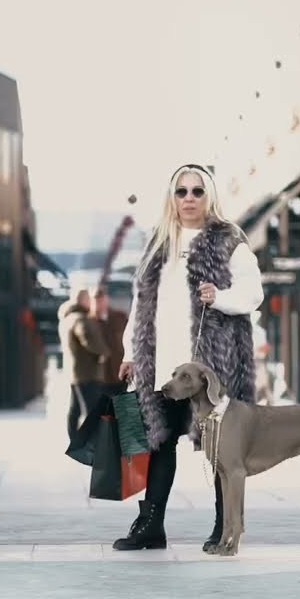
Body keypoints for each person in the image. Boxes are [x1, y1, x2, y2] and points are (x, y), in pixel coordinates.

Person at [114, 163, 263, 552]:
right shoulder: (158, 242)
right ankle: (150, 525)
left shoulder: (229, 240)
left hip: (208, 369)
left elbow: (253, 292)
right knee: (158, 444)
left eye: (197, 191)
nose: (189, 199)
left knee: (219, 448)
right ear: (172, 197)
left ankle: (223, 525)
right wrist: (131, 350)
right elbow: (140, 302)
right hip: (162, 365)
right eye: (182, 192)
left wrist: (221, 297)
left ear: (209, 195)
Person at [58, 286, 110, 444]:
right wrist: (103, 351)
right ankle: (90, 441)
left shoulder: (67, 318)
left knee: (75, 409)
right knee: (91, 409)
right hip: (87, 372)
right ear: (82, 300)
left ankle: (75, 439)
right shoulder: (80, 319)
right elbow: (87, 338)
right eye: (88, 298)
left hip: (76, 372)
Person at [94, 285, 129, 396]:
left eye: (101, 299)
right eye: (96, 300)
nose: (99, 303)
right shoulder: (90, 321)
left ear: (106, 299)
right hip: (102, 377)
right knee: (105, 411)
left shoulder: (120, 317)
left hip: (121, 372)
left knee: (127, 411)